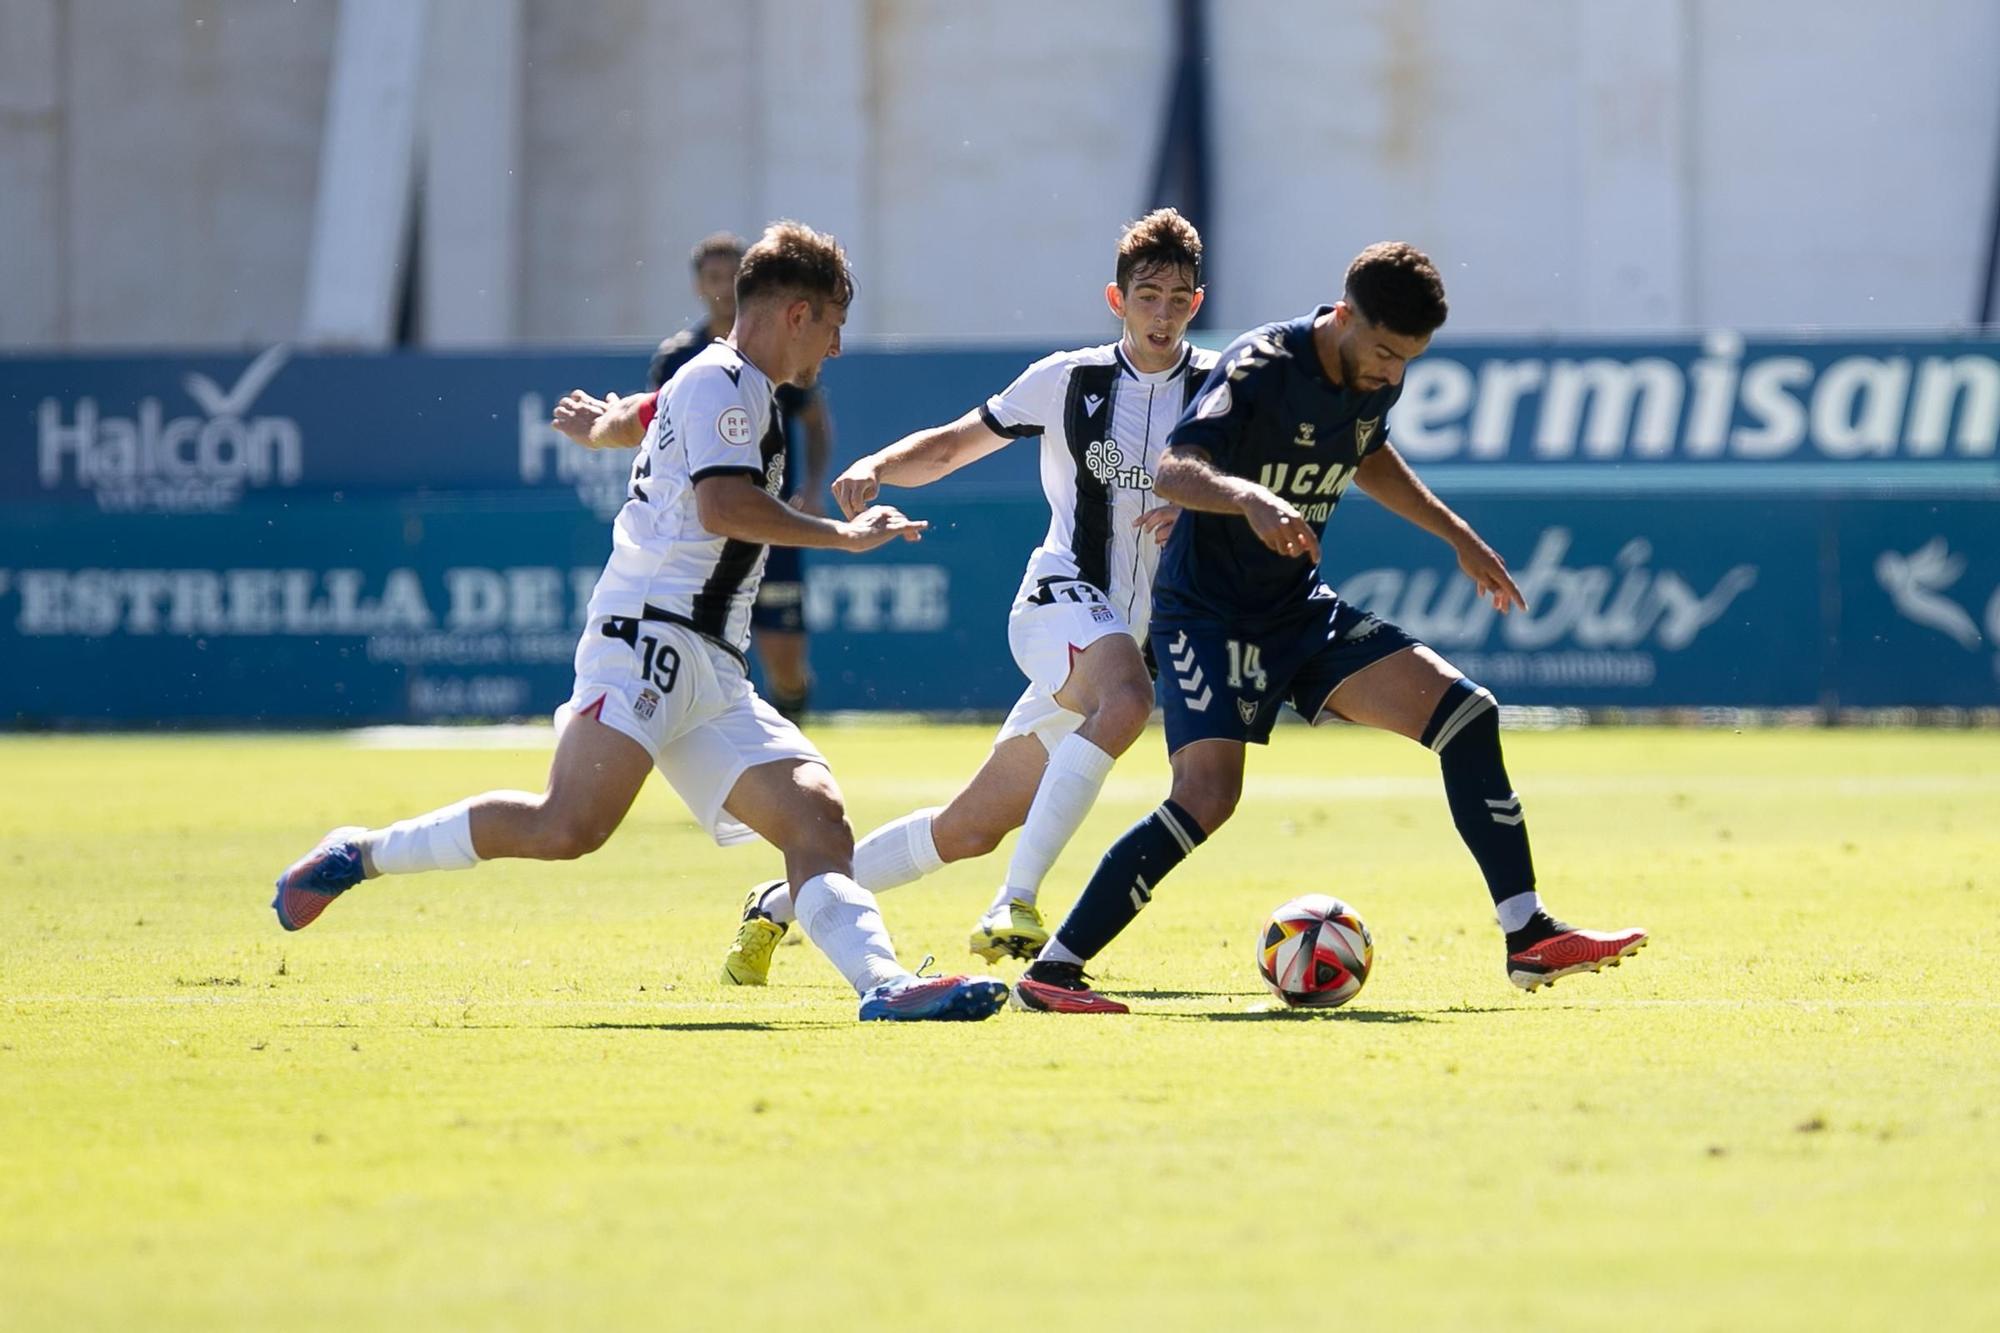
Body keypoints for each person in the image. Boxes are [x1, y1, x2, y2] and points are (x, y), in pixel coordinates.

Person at [272, 221, 1008, 1024]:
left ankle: (884, 985)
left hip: (712, 666)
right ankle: (362, 852)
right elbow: (722, 504)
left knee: (818, 819)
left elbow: (643, 416)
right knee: (566, 825)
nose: (833, 349)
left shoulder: (725, 384)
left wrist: (602, 426)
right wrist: (842, 536)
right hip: (649, 637)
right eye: (832, 326)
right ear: (796, 314)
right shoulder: (723, 381)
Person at [1009, 242, 1649, 1014]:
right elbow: (1179, 467)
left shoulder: (1373, 377)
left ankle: (1527, 933)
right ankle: (1054, 971)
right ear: (1343, 316)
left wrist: (1457, 536)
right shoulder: (1259, 364)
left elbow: (1367, 452)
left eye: (1409, 360)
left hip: (1296, 608)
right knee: (1207, 798)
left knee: (1466, 713)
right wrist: (1251, 498)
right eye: (1384, 352)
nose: (1393, 375)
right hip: (1209, 613)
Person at [715, 208, 1219, 987]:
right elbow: (956, 443)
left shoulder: (1222, 390)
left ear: (1198, 301)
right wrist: (879, 462)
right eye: (1147, 295)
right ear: (1116, 301)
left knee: (969, 826)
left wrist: (1203, 502)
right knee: (1125, 701)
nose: (1163, 312)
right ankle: (1014, 904)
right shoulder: (1067, 380)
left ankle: (778, 902)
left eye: (1179, 297)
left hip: (1135, 633)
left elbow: (1262, 491)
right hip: (1062, 600)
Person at [650, 232, 832, 723]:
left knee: (785, 660)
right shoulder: (683, 361)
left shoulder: (779, 357)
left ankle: (787, 730)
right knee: (698, 652)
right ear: (698, 285)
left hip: (770, 518)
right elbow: (652, 426)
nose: (723, 286)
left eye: (732, 275)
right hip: (707, 531)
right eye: (713, 277)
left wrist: (812, 489)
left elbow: (815, 421)